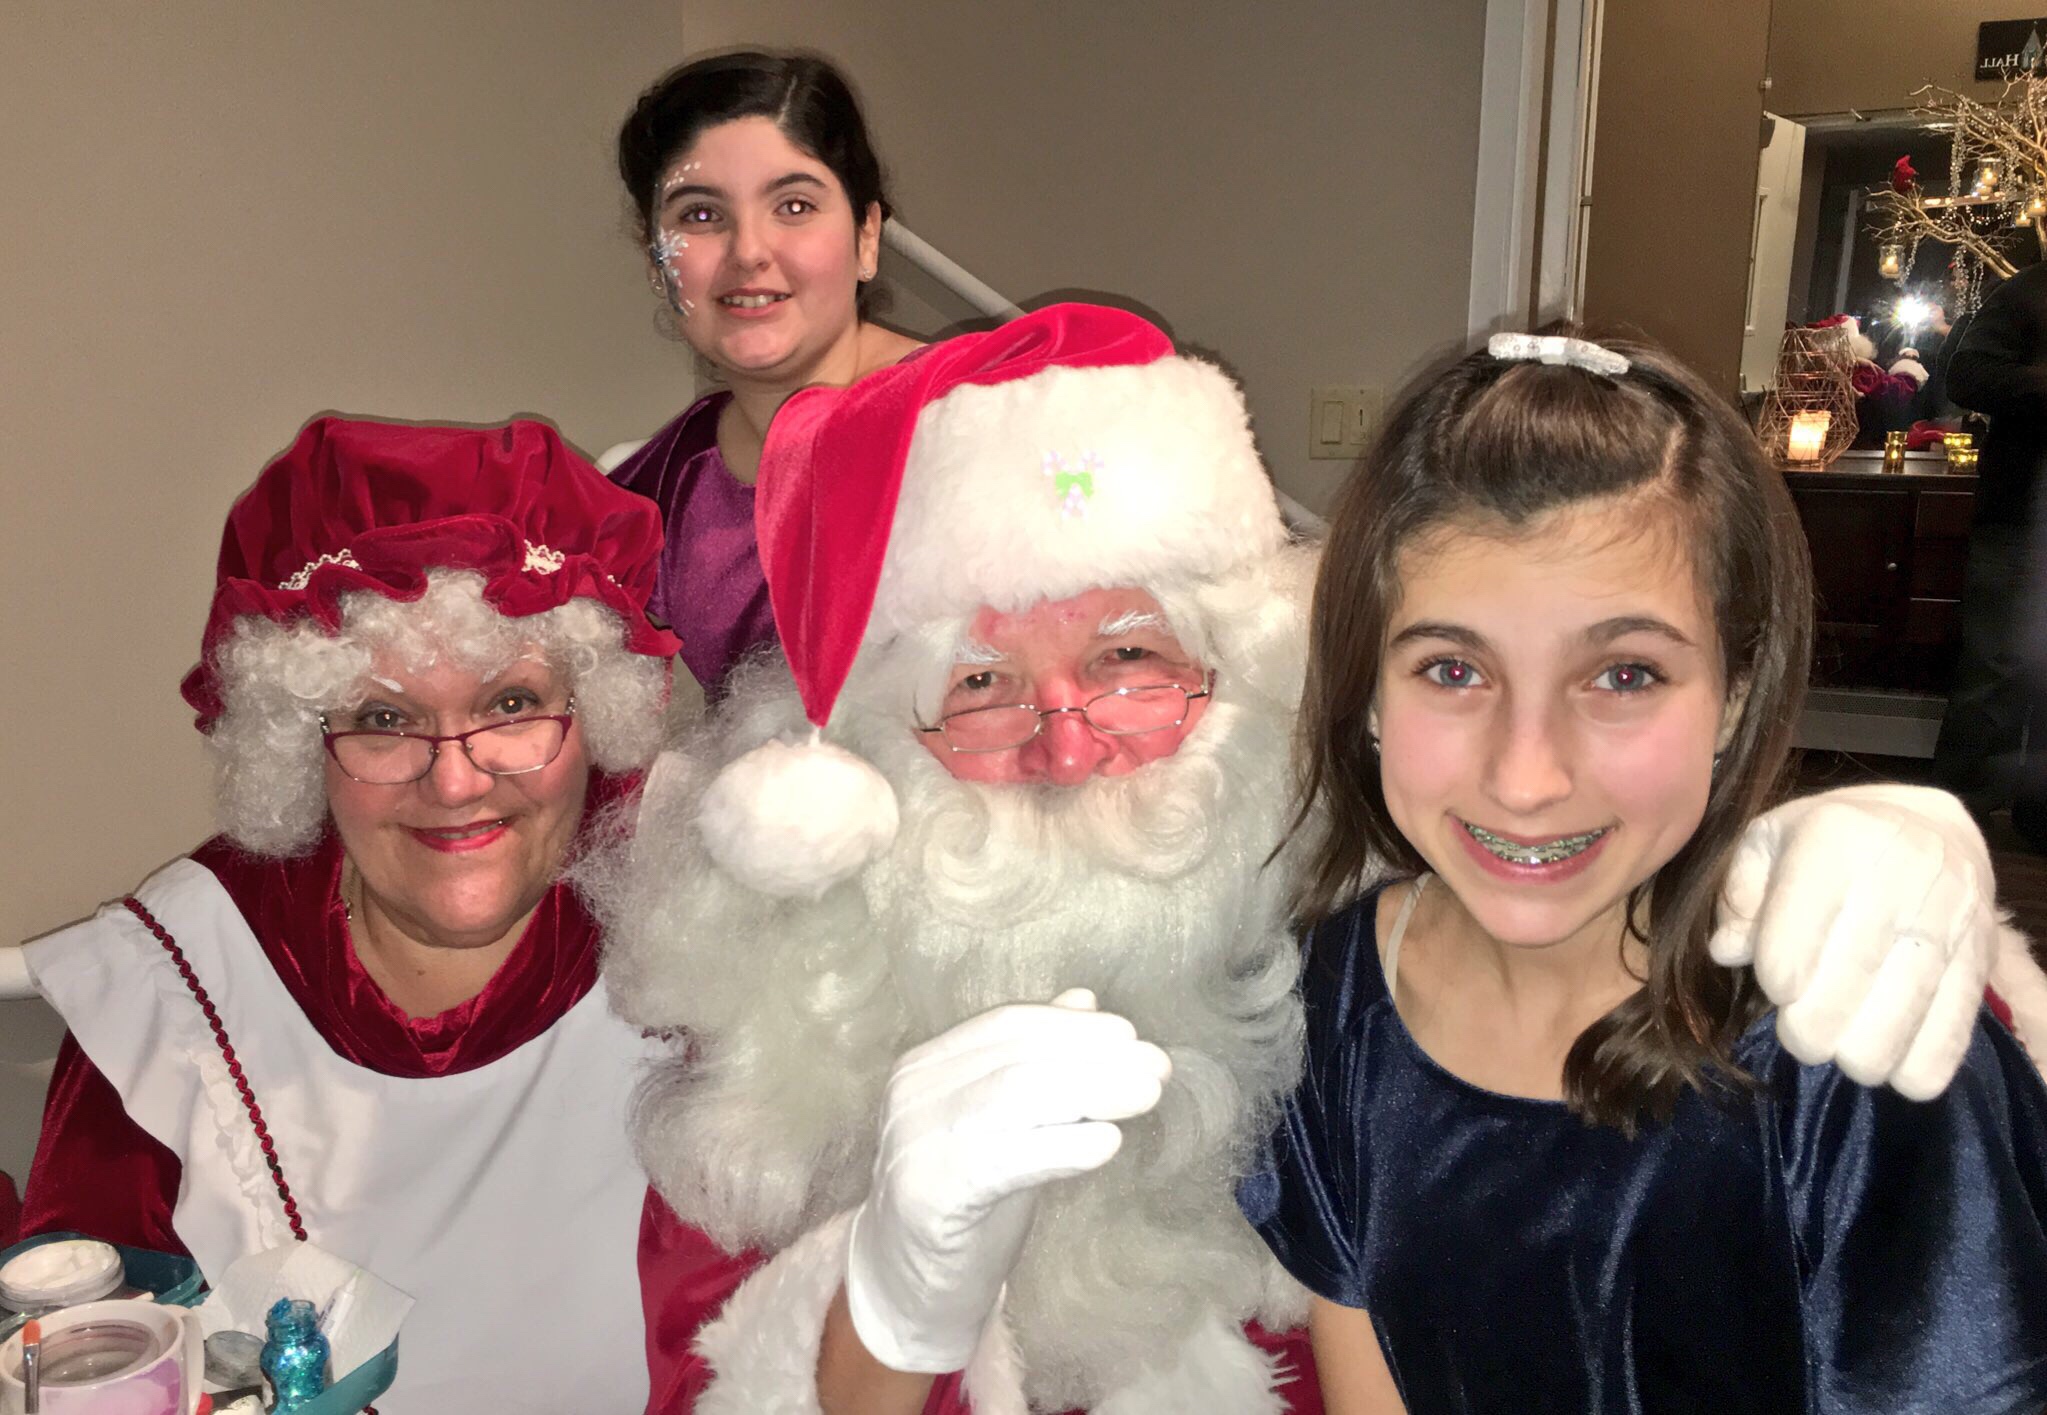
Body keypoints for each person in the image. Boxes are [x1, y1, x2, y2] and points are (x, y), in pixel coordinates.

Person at [590, 305, 2022, 1413]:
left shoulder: (1297, 956)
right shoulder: (773, 1065)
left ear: (1264, 683)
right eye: (976, 686)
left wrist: (1913, 871)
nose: (1067, 742)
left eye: (1130, 659)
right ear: (842, 779)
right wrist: (892, 1291)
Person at [1245, 332, 2047, 1412]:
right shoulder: (1329, 1000)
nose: (1525, 778)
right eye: (1452, 668)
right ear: (1368, 694)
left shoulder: (1851, 1047)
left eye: (1623, 674)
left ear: (1735, 690)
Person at [17, 418, 683, 1412]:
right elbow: (77, 1352)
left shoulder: (707, 915)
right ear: (297, 743)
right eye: (383, 718)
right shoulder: (173, 985)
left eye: (511, 704)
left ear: (596, 716)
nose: (454, 781)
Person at [608, 49, 924, 694]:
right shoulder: (653, 492)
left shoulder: (988, 415)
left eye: (795, 206)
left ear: (867, 236)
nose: (749, 251)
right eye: (700, 215)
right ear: (656, 262)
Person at [1937, 256, 2047, 850]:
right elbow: (1966, 376)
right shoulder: (2031, 290)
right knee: (1993, 672)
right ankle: (1958, 826)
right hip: (2020, 515)